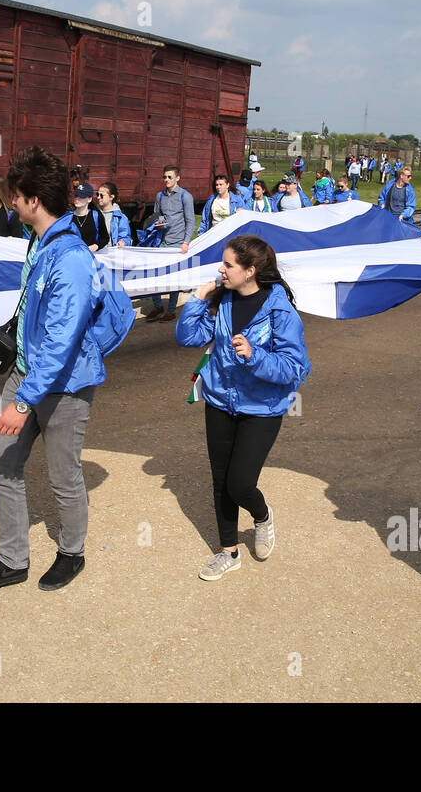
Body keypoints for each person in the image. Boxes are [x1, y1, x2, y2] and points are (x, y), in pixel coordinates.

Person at [0, 146, 117, 595]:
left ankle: (72, 552)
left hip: (65, 385)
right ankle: (12, 560)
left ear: (33, 200)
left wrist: (24, 400)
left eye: (15, 195)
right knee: (5, 463)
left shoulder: (69, 258)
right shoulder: (41, 242)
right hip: (29, 373)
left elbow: (61, 340)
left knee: (63, 475)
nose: (10, 202)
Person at [176, 235, 310, 581]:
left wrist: (255, 356)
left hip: (261, 408)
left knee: (240, 484)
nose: (221, 269)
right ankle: (228, 552)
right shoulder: (222, 302)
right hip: (220, 400)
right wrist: (197, 298)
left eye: (228, 265)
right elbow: (188, 337)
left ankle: (262, 517)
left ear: (250, 271)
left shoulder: (280, 310)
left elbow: (295, 368)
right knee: (220, 480)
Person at [143, 166, 194, 323]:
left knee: (173, 278)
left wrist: (185, 242)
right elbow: (159, 216)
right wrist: (159, 225)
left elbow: (190, 221)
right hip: (161, 242)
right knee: (154, 276)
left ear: (177, 178)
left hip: (177, 243)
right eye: (164, 177)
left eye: (169, 177)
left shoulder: (185, 196)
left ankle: (171, 310)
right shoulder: (160, 196)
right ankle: (158, 306)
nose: (166, 180)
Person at [69, 182, 110, 251]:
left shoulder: (97, 216)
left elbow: (105, 238)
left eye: (81, 196)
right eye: (76, 195)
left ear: (89, 199)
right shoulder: (67, 217)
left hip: (91, 256)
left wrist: (96, 246)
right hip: (72, 256)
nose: (77, 199)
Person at [95, 182, 132, 247]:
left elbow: (126, 237)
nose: (98, 197)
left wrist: (123, 242)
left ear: (111, 197)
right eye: (97, 194)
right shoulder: (93, 214)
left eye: (101, 195)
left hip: (112, 254)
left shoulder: (120, 217)